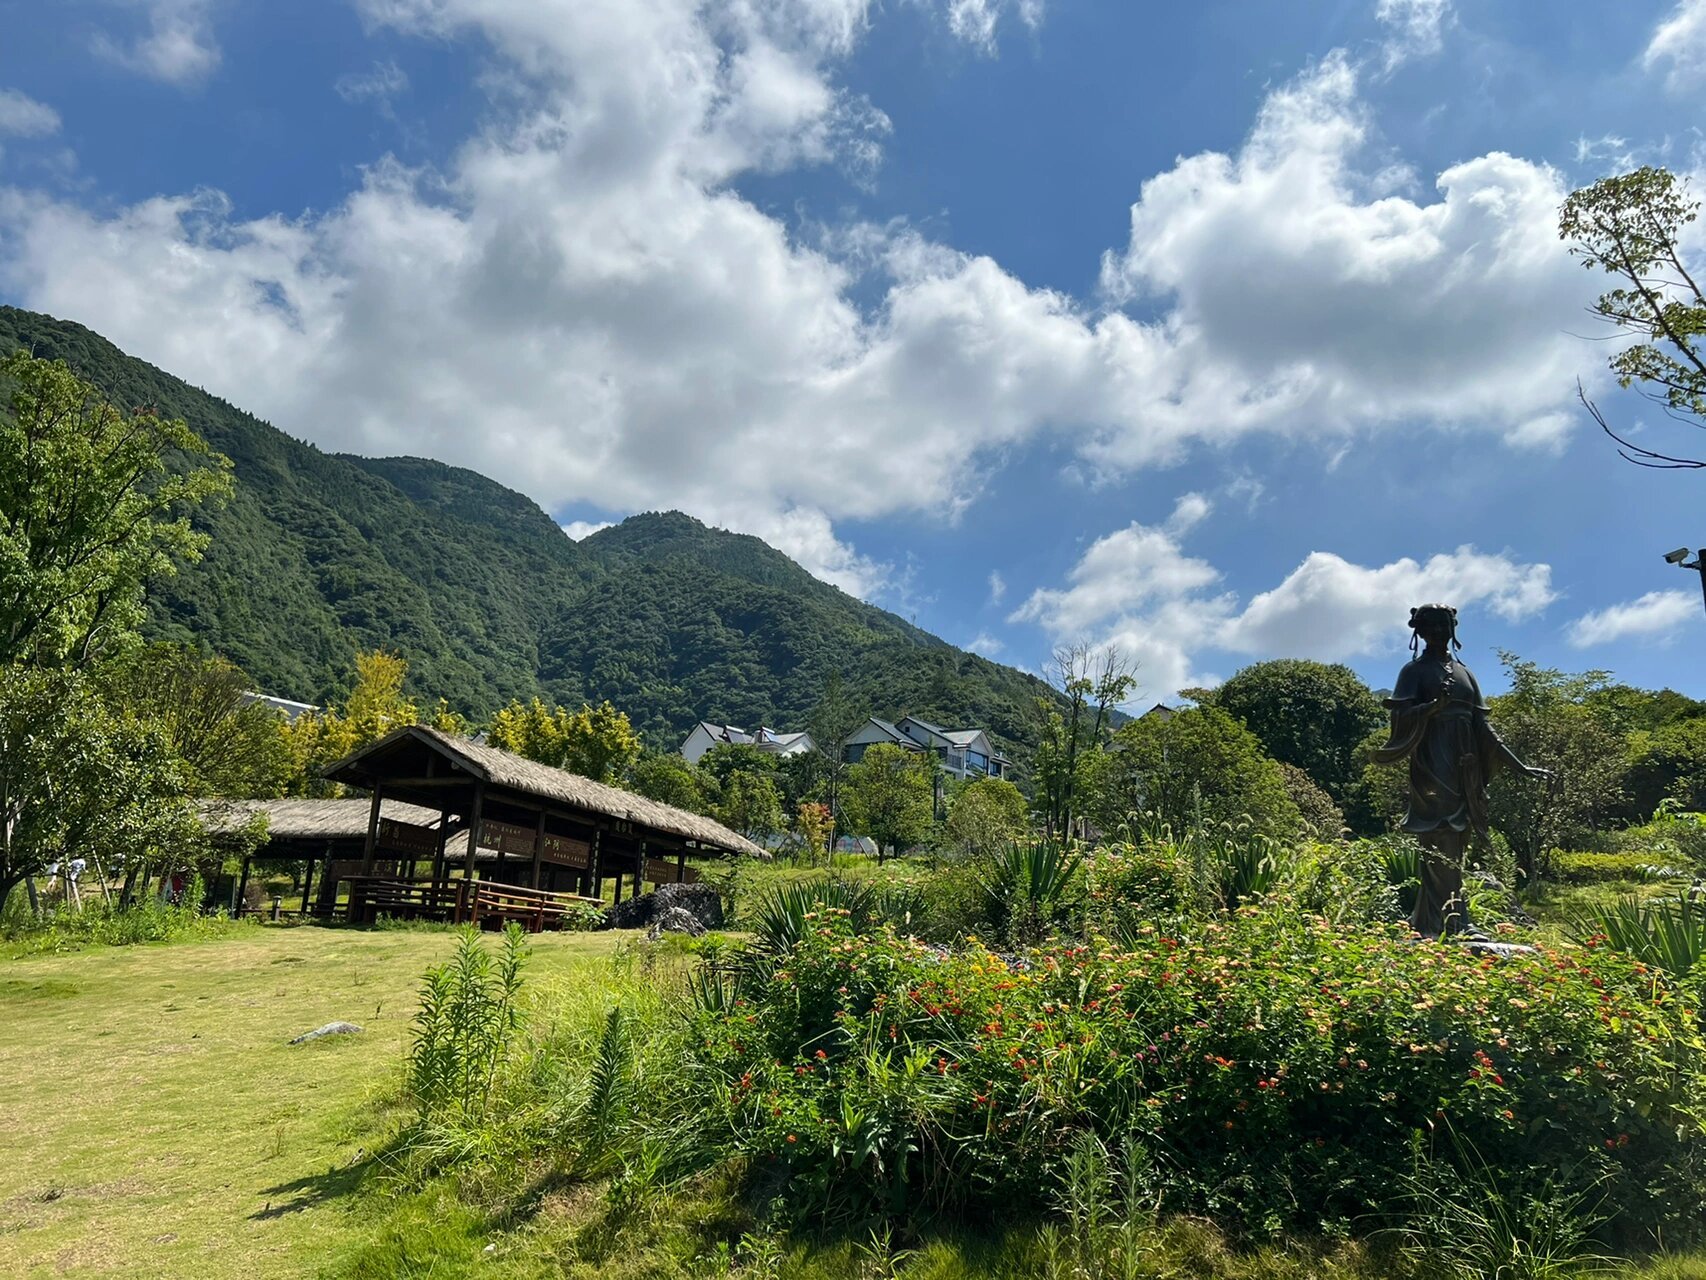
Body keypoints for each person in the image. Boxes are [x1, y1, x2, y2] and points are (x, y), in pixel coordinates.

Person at [1374, 604, 1550, 937]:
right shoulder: (1413, 672)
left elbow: (1484, 728)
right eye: (1431, 626)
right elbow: (1401, 717)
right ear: (1419, 631)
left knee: (1456, 842)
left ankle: (1429, 922)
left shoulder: (1465, 673)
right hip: (1433, 764)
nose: (1438, 632)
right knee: (1441, 839)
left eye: (1444, 625)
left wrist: (1519, 765)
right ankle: (1453, 923)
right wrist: (1432, 708)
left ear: (1453, 628)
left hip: (1464, 766)